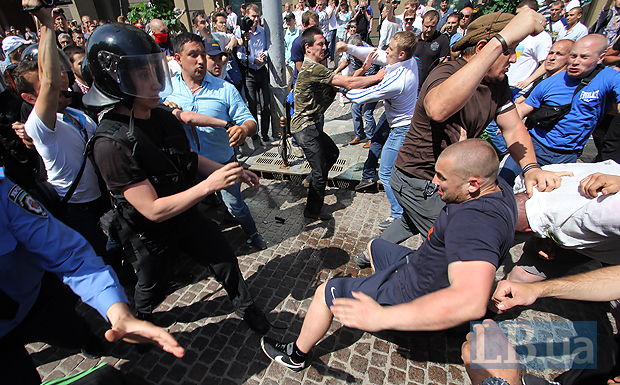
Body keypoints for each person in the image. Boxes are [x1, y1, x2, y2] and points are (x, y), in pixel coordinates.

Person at [261, 139, 518, 371]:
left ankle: (296, 355)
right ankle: (385, 294)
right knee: (375, 246)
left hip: (415, 289)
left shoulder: (474, 222)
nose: (434, 182)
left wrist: (380, 316)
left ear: (473, 184)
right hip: (417, 265)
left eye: (442, 177)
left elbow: (469, 301)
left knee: (324, 292)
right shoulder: (501, 188)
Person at [83, 22, 269, 333]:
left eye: (154, 70)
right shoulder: (111, 144)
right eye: (143, 75)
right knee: (151, 287)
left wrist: (229, 171)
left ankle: (246, 307)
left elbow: (188, 159)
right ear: (116, 81)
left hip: (186, 216)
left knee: (224, 259)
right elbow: (153, 209)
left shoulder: (161, 117)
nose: (156, 82)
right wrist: (210, 186)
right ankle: (141, 326)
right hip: (150, 235)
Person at [377, 10, 562, 247]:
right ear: (485, 47)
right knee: (451, 243)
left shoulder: (498, 83)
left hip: (449, 180)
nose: (513, 60)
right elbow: (437, 109)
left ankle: (371, 254)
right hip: (419, 180)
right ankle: (397, 279)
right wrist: (499, 43)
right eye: (510, 51)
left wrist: (532, 168)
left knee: (411, 221)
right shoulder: (447, 72)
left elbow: (513, 127)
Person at [0, 174, 185, 385]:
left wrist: (118, 313)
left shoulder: (1, 191)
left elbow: (68, 254)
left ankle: (86, 338)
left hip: (37, 299)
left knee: (73, 336)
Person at [14, 7, 115, 269]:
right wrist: (46, 22)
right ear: (29, 98)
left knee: (116, 250)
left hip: (101, 198)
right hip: (76, 209)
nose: (59, 80)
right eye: (47, 86)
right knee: (101, 261)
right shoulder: (41, 125)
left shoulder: (75, 113)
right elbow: (49, 82)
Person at [165, 34, 267, 250]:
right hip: (188, 166)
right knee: (191, 208)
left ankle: (252, 233)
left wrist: (243, 129)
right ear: (177, 58)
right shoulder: (166, 90)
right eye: (193, 55)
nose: (201, 61)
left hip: (223, 162)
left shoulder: (224, 89)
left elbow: (250, 121)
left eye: (202, 55)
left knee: (236, 205)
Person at [292, 26, 384, 220]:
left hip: (312, 125)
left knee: (332, 154)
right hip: (304, 128)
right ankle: (312, 211)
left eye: (325, 43)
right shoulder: (310, 67)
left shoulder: (318, 68)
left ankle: (310, 182)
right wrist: (376, 77)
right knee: (320, 171)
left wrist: (364, 69)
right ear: (308, 47)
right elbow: (347, 84)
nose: (325, 47)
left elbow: (342, 81)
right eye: (320, 44)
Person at [337, 32, 419, 230]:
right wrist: (348, 48)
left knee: (386, 172)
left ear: (401, 54)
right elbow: (374, 54)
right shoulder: (408, 60)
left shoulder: (399, 79)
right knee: (378, 144)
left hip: (402, 128)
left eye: (390, 48)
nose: (386, 50)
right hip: (393, 119)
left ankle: (399, 215)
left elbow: (365, 95)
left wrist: (342, 87)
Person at [514, 35, 620, 166]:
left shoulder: (609, 77)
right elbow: (522, 108)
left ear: (601, 58)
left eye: (584, 57)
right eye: (573, 56)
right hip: (535, 146)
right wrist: (515, 128)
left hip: (569, 156)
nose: (575, 62)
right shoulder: (550, 83)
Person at [507, 163, 620, 284]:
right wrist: (542, 234)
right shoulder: (533, 177)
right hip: (595, 236)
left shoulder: (603, 213)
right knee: (520, 277)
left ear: (527, 230)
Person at [241, 4, 272, 143]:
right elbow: (239, 54)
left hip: (262, 71)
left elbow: (267, 48)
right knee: (252, 104)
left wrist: (263, 56)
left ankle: (265, 133)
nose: (255, 19)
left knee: (266, 103)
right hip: (249, 72)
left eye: (257, 16)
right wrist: (254, 59)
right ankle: (255, 132)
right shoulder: (241, 32)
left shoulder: (262, 31)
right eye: (253, 16)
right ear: (247, 15)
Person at [414, 10, 450, 86]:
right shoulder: (415, 40)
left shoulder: (442, 39)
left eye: (432, 27)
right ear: (422, 24)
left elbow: (444, 64)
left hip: (430, 83)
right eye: (426, 26)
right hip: (413, 82)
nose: (429, 29)